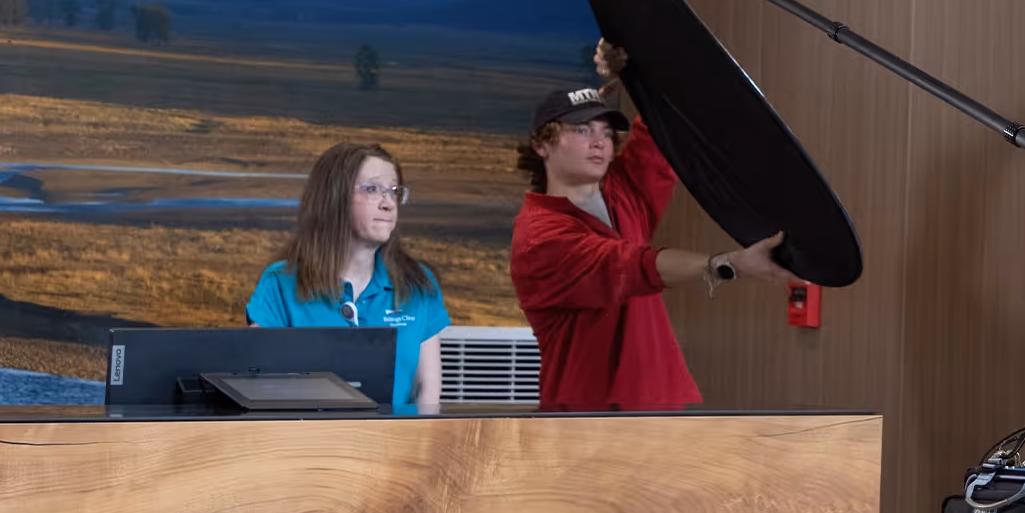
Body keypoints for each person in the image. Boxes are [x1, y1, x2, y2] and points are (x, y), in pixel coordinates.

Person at [508, 40, 787, 412]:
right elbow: (629, 266)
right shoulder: (539, 238)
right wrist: (729, 264)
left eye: (606, 133)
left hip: (662, 409)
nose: (599, 142)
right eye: (582, 130)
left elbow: (672, 114)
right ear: (541, 145)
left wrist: (635, 68)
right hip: (585, 421)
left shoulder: (625, 192)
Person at [246, 141, 449, 414]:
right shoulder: (279, 283)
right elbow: (260, 389)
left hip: (397, 439)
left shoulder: (419, 283)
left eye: (393, 191)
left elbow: (427, 394)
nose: (388, 203)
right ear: (333, 197)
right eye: (372, 189)